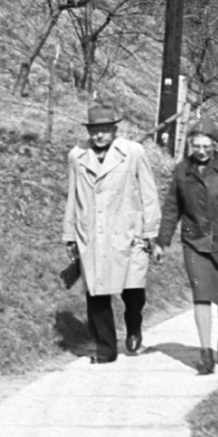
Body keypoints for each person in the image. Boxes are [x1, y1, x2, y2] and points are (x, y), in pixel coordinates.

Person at [157, 121, 218, 375]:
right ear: (190, 144)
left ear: (215, 144)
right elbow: (172, 208)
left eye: (206, 146)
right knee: (201, 295)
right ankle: (205, 354)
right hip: (194, 243)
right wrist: (162, 241)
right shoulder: (182, 170)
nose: (201, 151)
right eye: (196, 146)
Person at [63, 103, 161, 364]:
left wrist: (151, 230)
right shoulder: (77, 155)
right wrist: (70, 234)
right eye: (95, 130)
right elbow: (73, 196)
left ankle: (133, 326)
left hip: (129, 233)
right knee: (97, 293)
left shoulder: (133, 153)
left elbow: (149, 193)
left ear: (115, 130)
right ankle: (106, 348)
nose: (99, 136)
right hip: (93, 234)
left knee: (133, 291)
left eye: (105, 130)